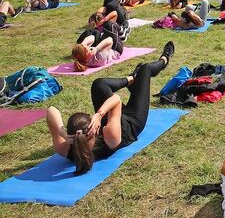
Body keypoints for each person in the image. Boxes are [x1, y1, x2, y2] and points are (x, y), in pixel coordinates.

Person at [45, 42, 174, 175]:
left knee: (99, 85)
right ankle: (164, 59)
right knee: (145, 69)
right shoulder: (109, 137)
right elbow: (116, 100)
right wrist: (99, 115)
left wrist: (63, 134)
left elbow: (51, 110)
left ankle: (132, 79)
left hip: (113, 117)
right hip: (132, 120)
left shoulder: (65, 148)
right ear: (94, 130)